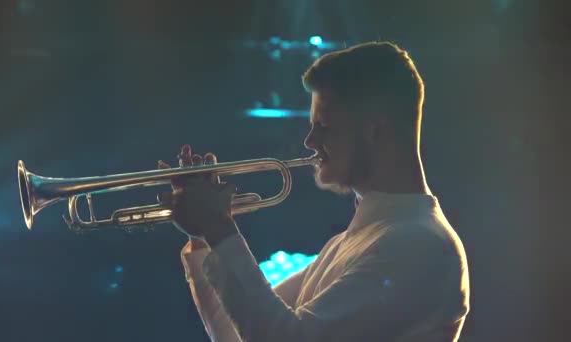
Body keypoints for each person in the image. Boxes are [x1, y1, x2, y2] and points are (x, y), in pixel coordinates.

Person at [157, 41, 470, 341]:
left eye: (325, 126)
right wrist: (201, 237)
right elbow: (233, 334)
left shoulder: (418, 243)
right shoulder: (357, 240)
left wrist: (218, 227)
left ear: (376, 130)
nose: (309, 141)